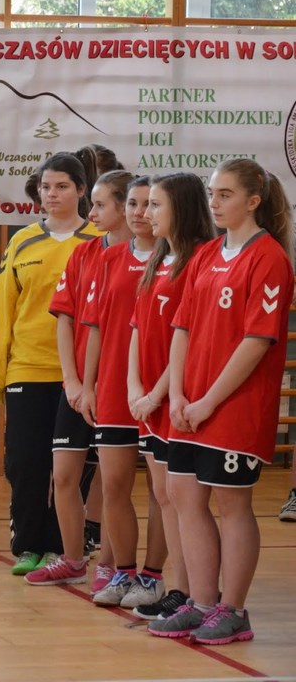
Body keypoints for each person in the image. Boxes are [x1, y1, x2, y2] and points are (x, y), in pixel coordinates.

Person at [150, 159, 294, 644]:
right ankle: (201, 602)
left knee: (232, 505)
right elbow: (182, 328)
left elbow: (257, 340)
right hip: (190, 405)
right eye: (212, 193)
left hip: (234, 406)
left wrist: (209, 401)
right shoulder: (208, 254)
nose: (214, 202)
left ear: (253, 201)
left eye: (225, 194)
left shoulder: (269, 257)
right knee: (184, 497)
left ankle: (233, 610)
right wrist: (177, 395)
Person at [0, 152, 97, 571]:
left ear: (81, 190)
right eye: (46, 187)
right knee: (25, 462)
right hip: (27, 368)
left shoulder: (99, 241)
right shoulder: (22, 241)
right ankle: (28, 545)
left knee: (70, 469)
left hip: (79, 376)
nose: (52, 194)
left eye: (62, 186)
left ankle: (61, 546)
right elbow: (2, 310)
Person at [24, 169, 133, 587]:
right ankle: (72, 559)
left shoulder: (146, 258)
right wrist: (72, 382)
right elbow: (65, 319)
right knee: (64, 475)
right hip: (79, 387)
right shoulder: (84, 254)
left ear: (125, 208)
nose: (92, 213)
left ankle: (109, 561)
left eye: (101, 205)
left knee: (112, 482)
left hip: (118, 387)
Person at [126, 172, 214, 622]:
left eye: (156, 204)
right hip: (149, 400)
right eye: (144, 204)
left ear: (181, 207)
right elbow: (138, 328)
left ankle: (194, 591)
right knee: (164, 495)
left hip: (174, 397)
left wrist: (158, 393)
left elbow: (189, 336)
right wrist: (134, 388)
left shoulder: (199, 259)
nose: (146, 213)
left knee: (182, 500)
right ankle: (179, 589)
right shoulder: (159, 258)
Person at [80, 175, 170, 610]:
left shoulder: (179, 259)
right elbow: (94, 327)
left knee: (161, 491)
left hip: (160, 391)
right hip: (115, 388)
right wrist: (88, 384)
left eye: (148, 204)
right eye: (133, 203)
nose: (139, 212)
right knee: (114, 484)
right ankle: (124, 571)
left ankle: (153, 577)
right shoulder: (109, 258)